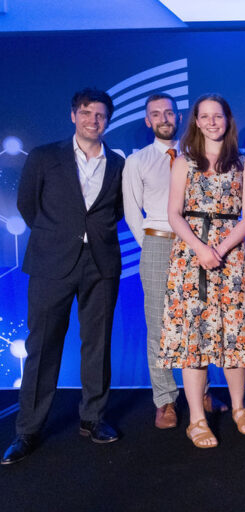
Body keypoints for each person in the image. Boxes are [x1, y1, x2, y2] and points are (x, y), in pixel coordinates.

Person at [2, 89, 124, 465]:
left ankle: (93, 418)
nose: (93, 120)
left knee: (97, 344)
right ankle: (28, 430)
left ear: (108, 120)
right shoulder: (44, 157)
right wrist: (59, 235)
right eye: (86, 113)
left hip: (100, 264)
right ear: (73, 116)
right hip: (51, 263)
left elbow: (117, 210)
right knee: (43, 345)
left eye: (100, 115)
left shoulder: (117, 163)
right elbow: (27, 204)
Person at [157, 94, 245, 449]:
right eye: (205, 116)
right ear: (196, 122)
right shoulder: (184, 162)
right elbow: (174, 213)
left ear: (228, 120)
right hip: (190, 257)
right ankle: (196, 420)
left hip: (232, 255)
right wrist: (201, 248)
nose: (212, 122)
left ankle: (239, 408)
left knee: (235, 334)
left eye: (218, 116)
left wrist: (222, 248)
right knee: (193, 339)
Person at [122, 93, 228, 430]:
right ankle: (165, 400)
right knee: (159, 325)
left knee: (201, 321)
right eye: (156, 114)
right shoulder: (137, 161)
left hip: (197, 244)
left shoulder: (198, 155)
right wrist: (153, 246)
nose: (163, 119)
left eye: (169, 112)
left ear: (180, 117)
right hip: (158, 244)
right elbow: (131, 211)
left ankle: (203, 393)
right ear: (147, 121)